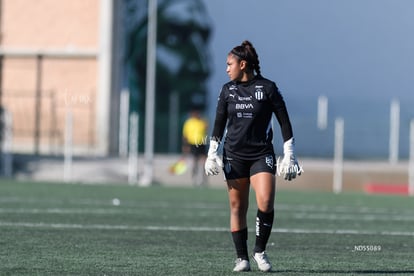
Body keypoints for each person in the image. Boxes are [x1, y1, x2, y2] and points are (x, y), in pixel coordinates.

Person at [204, 40, 303, 272]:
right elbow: (219, 124)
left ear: (243, 64)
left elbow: (284, 122)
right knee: (237, 206)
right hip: (234, 155)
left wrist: (290, 155)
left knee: (266, 201)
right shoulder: (227, 90)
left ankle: (259, 251)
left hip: (261, 153)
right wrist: (212, 153)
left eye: (230, 64)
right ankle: (242, 258)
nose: (227, 69)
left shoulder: (268, 88)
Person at [182, 107, 208, 185]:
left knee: (204, 162)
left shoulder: (202, 122)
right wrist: (185, 146)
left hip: (201, 143)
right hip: (192, 144)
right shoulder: (189, 122)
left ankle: (203, 179)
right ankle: (195, 178)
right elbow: (185, 135)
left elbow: (206, 130)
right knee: (194, 162)